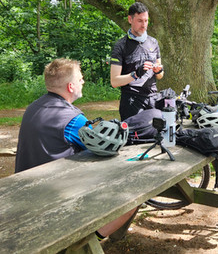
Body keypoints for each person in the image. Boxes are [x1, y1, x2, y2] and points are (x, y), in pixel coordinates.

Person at [15, 58, 137, 241]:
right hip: (55, 201)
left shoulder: (32, 108)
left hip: (26, 193)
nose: (83, 81)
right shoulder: (73, 119)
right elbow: (107, 147)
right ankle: (87, 241)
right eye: (80, 79)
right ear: (71, 87)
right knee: (132, 198)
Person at [110, 2, 164, 120]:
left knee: (157, 136)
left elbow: (160, 76)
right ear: (130, 19)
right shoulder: (120, 46)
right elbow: (114, 81)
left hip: (153, 99)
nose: (144, 25)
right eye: (140, 21)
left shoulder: (153, 42)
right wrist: (135, 74)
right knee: (133, 138)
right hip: (131, 100)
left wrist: (158, 70)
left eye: (146, 21)